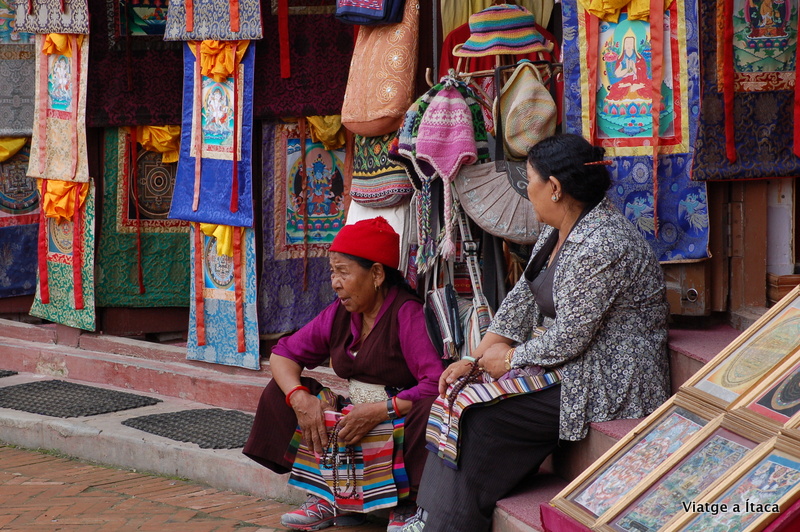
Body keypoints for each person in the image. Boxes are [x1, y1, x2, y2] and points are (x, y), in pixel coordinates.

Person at [403, 134, 670, 532]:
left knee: (478, 415)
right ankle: (430, 520)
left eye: (530, 180)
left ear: (556, 188)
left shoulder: (603, 242)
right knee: (453, 396)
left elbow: (570, 337)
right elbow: (522, 300)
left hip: (610, 376)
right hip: (574, 363)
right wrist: (475, 361)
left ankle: (448, 524)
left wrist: (508, 360)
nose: (527, 190)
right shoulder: (556, 229)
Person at [243, 217, 444, 532]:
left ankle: (409, 504)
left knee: (429, 409)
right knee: (281, 391)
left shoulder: (407, 313)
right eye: (332, 272)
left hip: (396, 418)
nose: (335, 282)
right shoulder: (340, 312)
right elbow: (283, 354)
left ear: (376, 274)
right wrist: (300, 399)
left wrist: (380, 410)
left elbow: (434, 384)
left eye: (343, 272)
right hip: (352, 413)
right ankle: (329, 496)